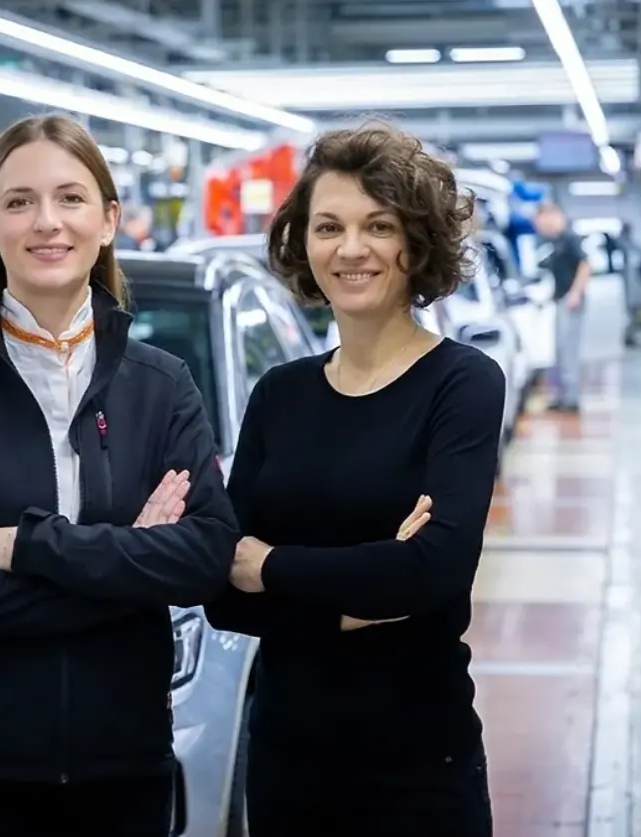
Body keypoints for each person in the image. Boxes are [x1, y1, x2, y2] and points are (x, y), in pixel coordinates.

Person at [0, 113, 238, 837]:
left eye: (70, 198)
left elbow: (203, 559)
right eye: (19, 202)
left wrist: (25, 547)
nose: (47, 222)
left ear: (107, 220)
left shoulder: (160, 385)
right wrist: (127, 570)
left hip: (122, 763)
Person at [204, 124, 507, 836]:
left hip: (417, 762)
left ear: (417, 242)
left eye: (377, 226)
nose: (350, 248)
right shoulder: (279, 393)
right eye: (328, 226)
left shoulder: (460, 383)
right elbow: (220, 593)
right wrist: (359, 595)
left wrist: (271, 564)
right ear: (302, 243)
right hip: (286, 759)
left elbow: (431, 573)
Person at [534, 201, 592, 412]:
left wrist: (575, 293)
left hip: (571, 301)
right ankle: (562, 395)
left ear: (552, 216)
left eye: (540, 223)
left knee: (569, 350)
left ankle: (572, 399)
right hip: (560, 299)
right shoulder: (555, 242)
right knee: (559, 349)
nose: (540, 228)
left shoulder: (569, 238)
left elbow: (586, 264)